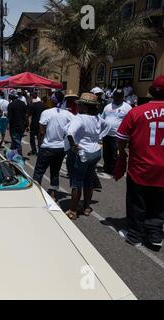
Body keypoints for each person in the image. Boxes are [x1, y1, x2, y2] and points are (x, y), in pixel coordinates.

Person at [115, 75, 164, 249]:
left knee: (137, 201)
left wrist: (122, 155)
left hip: (140, 167)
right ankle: (155, 233)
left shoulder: (136, 111)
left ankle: (135, 235)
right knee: (159, 203)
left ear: (151, 92)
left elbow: (121, 137)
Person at [65, 93, 110, 220]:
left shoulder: (80, 118)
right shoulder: (98, 118)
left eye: (79, 104)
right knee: (89, 181)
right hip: (95, 152)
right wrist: (99, 139)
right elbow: (107, 126)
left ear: (84, 106)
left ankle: (73, 210)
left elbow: (70, 132)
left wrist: (73, 145)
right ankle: (86, 207)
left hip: (82, 152)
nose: (77, 105)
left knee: (77, 182)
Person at [33, 101, 74, 200]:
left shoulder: (46, 112)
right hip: (60, 147)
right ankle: (53, 193)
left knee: (39, 171)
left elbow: (42, 131)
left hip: (47, 146)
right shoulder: (68, 114)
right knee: (55, 171)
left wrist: (39, 144)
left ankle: (35, 194)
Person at [101, 89, 132, 175]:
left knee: (116, 154)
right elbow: (102, 119)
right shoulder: (107, 106)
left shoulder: (127, 108)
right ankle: (107, 168)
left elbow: (131, 122)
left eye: (119, 96)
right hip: (106, 134)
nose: (117, 98)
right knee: (106, 153)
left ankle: (116, 169)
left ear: (123, 97)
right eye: (115, 96)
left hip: (118, 136)